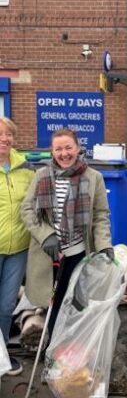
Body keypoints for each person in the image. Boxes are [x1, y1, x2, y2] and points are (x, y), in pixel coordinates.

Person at [21, 128, 114, 343]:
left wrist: (104, 245)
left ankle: (75, 354)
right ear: (52, 152)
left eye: (68, 147)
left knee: (77, 304)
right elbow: (27, 210)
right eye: (58, 149)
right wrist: (46, 235)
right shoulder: (41, 175)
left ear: (78, 148)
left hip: (79, 254)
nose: (64, 153)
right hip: (48, 254)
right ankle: (54, 353)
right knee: (54, 305)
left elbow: (101, 215)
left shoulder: (94, 178)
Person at [0, 117, 34, 375]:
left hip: (18, 249)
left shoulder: (26, 169)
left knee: (6, 305)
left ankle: (2, 359)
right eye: (0, 134)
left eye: (8, 134)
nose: (4, 139)